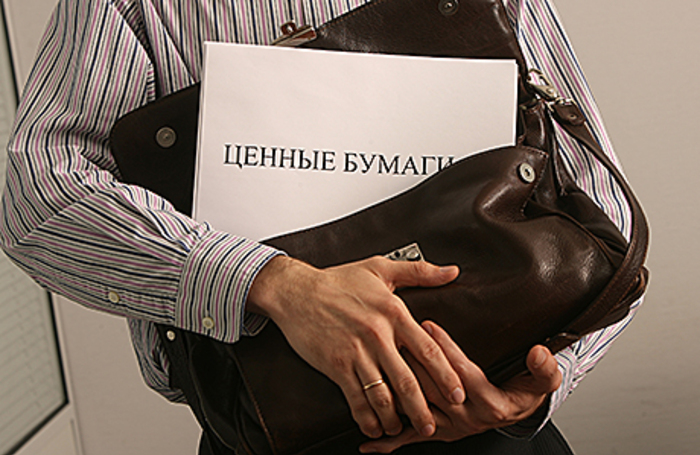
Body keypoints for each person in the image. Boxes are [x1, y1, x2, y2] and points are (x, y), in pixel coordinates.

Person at [0, 0, 642, 453]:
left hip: (494, 429)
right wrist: (270, 283)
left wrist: (543, 383)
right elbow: (37, 192)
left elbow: (601, 207)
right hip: (272, 423)